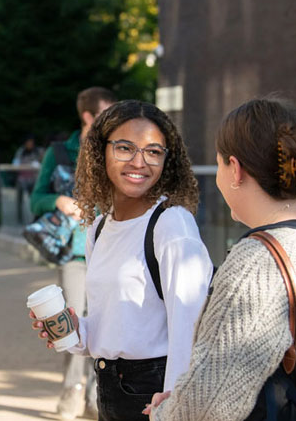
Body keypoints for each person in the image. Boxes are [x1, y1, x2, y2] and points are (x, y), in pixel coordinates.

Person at [146, 98, 296, 421]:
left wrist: (163, 412)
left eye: (218, 164)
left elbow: (205, 406)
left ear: (235, 169)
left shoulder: (256, 264)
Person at [32, 100, 213, 421]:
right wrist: (73, 331)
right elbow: (112, 326)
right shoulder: (100, 227)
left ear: (167, 160)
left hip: (156, 393)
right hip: (109, 386)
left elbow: (191, 329)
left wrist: (174, 406)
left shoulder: (172, 224)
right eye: (125, 148)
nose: (139, 162)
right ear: (100, 152)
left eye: (153, 151)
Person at [30, 86, 117, 419]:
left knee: (104, 325)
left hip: (110, 253)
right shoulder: (59, 153)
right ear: (88, 116)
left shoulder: (116, 150)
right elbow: (36, 199)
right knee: (68, 322)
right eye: (106, 114)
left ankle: (96, 395)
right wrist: (58, 200)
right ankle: (71, 390)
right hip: (73, 254)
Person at [12, 133, 44, 223]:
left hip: (35, 180)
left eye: (31, 142)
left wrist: (38, 164)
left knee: (35, 197)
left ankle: (35, 217)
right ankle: (20, 218)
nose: (30, 144)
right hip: (22, 180)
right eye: (28, 142)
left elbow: (44, 162)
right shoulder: (21, 151)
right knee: (20, 199)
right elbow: (16, 162)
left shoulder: (39, 151)